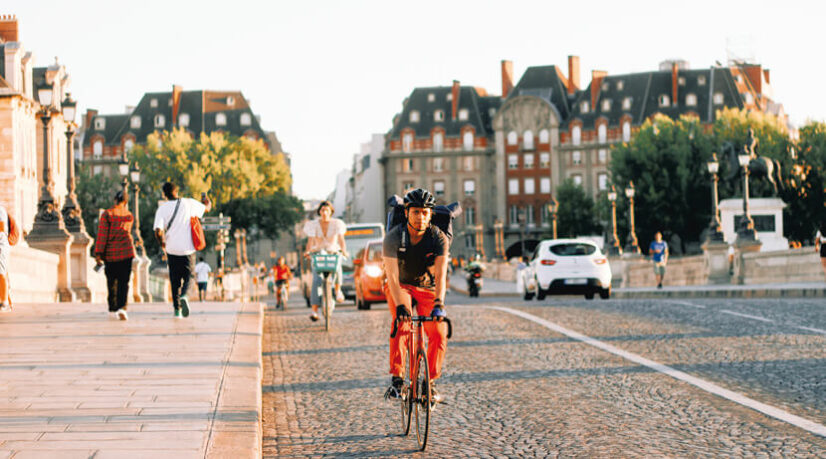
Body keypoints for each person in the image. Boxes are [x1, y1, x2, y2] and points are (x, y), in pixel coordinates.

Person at [383, 188, 449, 404]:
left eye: (425, 213)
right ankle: (398, 379)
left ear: (430, 215)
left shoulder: (438, 238)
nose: (420, 217)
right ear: (407, 213)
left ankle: (429, 383)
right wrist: (402, 306)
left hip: (427, 288)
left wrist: (439, 305)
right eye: (416, 212)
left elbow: (441, 275)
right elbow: (391, 276)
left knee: (439, 332)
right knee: (402, 324)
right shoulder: (393, 237)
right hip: (400, 286)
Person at [153, 182, 211, 318]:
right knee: (189, 276)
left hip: (172, 249)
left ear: (164, 195)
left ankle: (177, 310)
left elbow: (158, 230)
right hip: (188, 249)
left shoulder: (162, 209)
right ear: (177, 191)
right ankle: (185, 295)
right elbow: (206, 209)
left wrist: (162, 243)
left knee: (175, 280)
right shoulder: (188, 203)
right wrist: (207, 201)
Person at [302, 200, 348, 322]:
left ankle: (338, 290)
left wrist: (344, 251)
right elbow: (310, 241)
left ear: (331, 212)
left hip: (332, 252)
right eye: (322, 210)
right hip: (318, 254)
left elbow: (341, 240)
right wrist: (308, 252)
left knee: (338, 266)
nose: (324, 212)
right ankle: (314, 311)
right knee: (316, 281)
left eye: (327, 210)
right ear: (319, 212)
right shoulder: (313, 225)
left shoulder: (337, 223)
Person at [95, 190, 136, 320]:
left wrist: (98, 253)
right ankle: (122, 307)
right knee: (124, 282)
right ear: (126, 202)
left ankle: (113, 308)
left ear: (115, 200)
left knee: (112, 282)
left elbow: (102, 235)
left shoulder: (107, 214)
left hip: (111, 254)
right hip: (126, 252)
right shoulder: (129, 215)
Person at [0, 203, 18, 312]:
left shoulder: (0, 210)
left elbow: (1, 229)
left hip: (1, 245)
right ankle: (6, 300)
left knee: (1, 273)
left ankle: (5, 303)